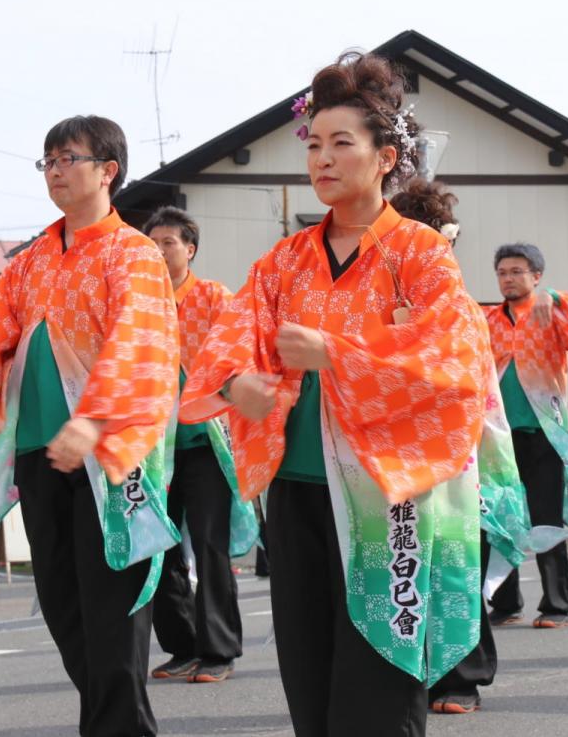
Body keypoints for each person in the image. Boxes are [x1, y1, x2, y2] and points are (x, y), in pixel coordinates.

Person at [180, 52, 488, 736]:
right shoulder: (284, 260)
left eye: (341, 143)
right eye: (313, 144)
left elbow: (454, 357)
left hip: (385, 492)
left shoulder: (420, 252)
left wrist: (336, 355)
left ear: (385, 157)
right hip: (297, 485)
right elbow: (229, 336)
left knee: (379, 674)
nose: (321, 158)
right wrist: (237, 383)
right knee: (310, 673)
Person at [0, 115, 178, 737]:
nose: (55, 171)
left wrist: (95, 418)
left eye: (68, 158)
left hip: (108, 458)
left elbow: (139, 342)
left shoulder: (133, 253)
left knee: (112, 610)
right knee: (66, 608)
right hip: (41, 452)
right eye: (47, 161)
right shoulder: (32, 259)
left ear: (108, 171)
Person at [390, 179, 537, 716]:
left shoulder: (458, 308)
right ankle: (414, 672)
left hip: (452, 452)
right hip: (389, 453)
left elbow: (471, 389)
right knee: (402, 563)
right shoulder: (371, 298)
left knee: (453, 560)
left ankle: (462, 676)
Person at [143, 205, 257, 684]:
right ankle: (182, 645)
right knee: (157, 547)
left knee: (209, 545)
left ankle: (218, 650)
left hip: (204, 442)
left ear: (190, 249)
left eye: (169, 242)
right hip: (151, 448)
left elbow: (237, 353)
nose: (160, 250)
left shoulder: (213, 297)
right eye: (152, 243)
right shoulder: (137, 303)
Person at [483, 243, 568, 629]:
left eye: (517, 271)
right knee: (499, 515)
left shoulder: (552, 311)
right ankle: (505, 602)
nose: (508, 278)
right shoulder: (488, 320)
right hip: (498, 435)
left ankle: (556, 605)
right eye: (503, 272)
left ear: (536, 276)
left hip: (544, 431)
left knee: (547, 518)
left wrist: (552, 297)